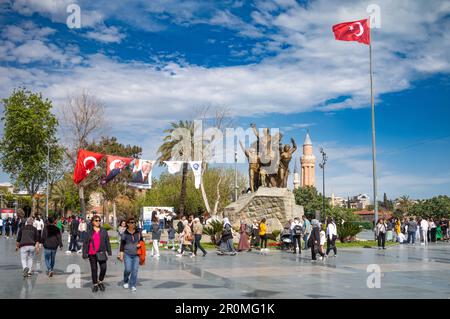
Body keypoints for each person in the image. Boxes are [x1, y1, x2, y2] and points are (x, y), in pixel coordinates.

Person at [82, 215, 112, 293]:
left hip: (101, 252)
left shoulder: (103, 231)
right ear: (92, 222)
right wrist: (84, 253)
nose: (98, 222)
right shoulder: (88, 232)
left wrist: (109, 251)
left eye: (99, 220)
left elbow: (107, 241)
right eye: (96, 220)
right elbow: (85, 243)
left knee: (104, 268)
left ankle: (100, 281)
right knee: (94, 269)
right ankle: (95, 284)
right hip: (92, 253)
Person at [119, 217, 143, 292]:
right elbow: (122, 245)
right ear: (128, 224)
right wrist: (121, 254)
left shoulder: (138, 232)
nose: (132, 224)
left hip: (136, 254)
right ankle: (126, 280)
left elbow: (142, 241)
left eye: (133, 222)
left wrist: (140, 244)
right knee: (128, 269)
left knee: (135, 270)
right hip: (127, 254)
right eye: (130, 222)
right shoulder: (125, 233)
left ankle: (132, 284)